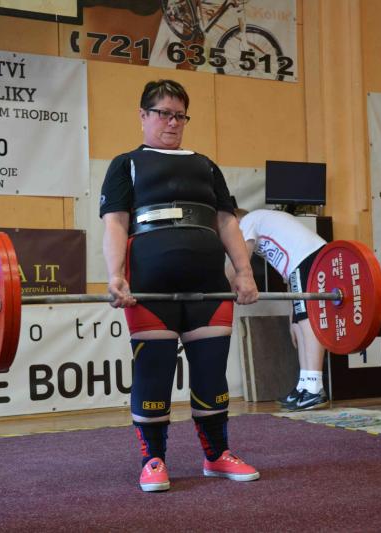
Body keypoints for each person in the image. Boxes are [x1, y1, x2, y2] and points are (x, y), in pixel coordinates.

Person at [100, 79, 261, 492]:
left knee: (211, 374)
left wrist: (243, 272)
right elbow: (115, 222)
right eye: (163, 113)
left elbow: (226, 221)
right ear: (143, 115)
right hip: (149, 286)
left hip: (208, 285)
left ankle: (217, 455)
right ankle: (153, 460)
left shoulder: (206, 165)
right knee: (153, 373)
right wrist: (115, 274)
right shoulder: (125, 164)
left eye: (180, 115)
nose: (172, 122)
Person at [232, 208, 329, 410]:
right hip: (303, 261)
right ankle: (305, 385)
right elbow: (290, 283)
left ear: (234, 221)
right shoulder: (260, 223)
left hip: (308, 257)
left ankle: (315, 388)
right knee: (299, 323)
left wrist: (214, 286)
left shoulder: (247, 221)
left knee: (308, 320)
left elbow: (240, 265)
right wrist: (292, 316)